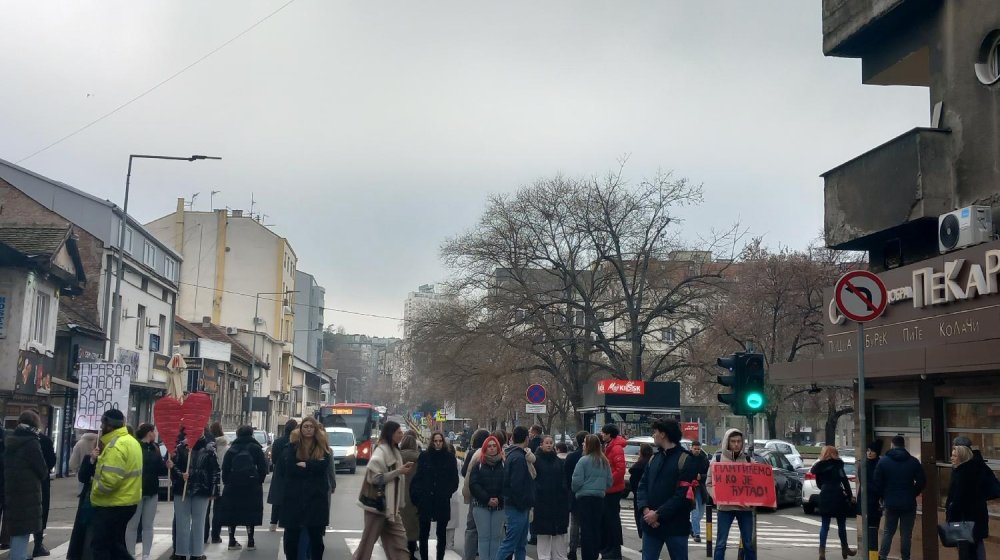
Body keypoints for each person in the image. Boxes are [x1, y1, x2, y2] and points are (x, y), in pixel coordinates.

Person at [353, 421, 415, 560]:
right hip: (377, 507)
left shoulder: (395, 451)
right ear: (391, 434)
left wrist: (400, 470)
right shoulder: (381, 452)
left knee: (400, 543)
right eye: (399, 432)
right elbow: (374, 478)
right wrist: (398, 471)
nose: (402, 435)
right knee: (367, 544)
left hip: (392, 509)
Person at [636, 418, 697, 560]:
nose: (653, 435)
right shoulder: (654, 459)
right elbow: (642, 486)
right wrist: (646, 510)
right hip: (651, 526)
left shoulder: (685, 460)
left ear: (663, 434)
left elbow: (682, 495)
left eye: (655, 432)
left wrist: (658, 514)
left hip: (676, 526)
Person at [89, 409, 143, 560]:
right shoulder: (132, 441)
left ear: (110, 425)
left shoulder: (115, 446)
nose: (101, 426)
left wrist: (95, 491)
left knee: (101, 546)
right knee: (114, 546)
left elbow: (109, 481)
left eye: (103, 423)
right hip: (127, 502)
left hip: (111, 504)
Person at [281, 417, 332, 560]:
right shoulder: (293, 446)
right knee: (292, 539)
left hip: (316, 499)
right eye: (305, 426)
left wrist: (306, 465)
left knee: (316, 539)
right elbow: (290, 468)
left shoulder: (322, 448)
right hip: (295, 498)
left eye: (311, 426)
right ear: (301, 429)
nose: (308, 429)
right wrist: (313, 466)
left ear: (315, 429)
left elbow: (323, 466)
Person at [3, 411, 48, 560]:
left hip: (12, 491)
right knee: (23, 532)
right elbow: (42, 470)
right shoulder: (31, 442)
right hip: (28, 495)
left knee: (16, 530)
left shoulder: (10, 440)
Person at [170, 428, 220, 560]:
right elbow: (173, 466)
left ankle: (196, 553)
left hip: (202, 489)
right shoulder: (181, 447)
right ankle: (181, 553)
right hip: (182, 489)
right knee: (182, 523)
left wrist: (214, 490)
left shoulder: (210, 449)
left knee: (199, 523)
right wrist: (181, 474)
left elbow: (215, 470)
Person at [706, 428, 755, 560]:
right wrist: (716, 496)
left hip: (745, 509)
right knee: (721, 543)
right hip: (725, 508)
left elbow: (757, 483)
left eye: (739, 441)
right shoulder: (717, 460)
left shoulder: (749, 460)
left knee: (748, 544)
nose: (736, 444)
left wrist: (754, 499)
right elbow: (709, 483)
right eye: (733, 441)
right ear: (727, 442)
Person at [872, 435, 924, 560]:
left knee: (888, 531)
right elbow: (922, 481)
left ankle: (883, 556)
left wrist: (884, 496)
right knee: (906, 534)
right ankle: (905, 557)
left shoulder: (883, 461)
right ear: (904, 445)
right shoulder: (913, 461)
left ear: (892, 445)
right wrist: (913, 493)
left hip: (890, 502)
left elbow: (877, 482)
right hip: (908, 503)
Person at [410, 432, 459, 560]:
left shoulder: (449, 458)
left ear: (443, 442)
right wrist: (418, 497)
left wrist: (446, 493)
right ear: (432, 442)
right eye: (435, 441)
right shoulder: (424, 456)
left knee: (441, 534)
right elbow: (418, 478)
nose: (438, 443)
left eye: (440, 441)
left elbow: (454, 480)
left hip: (442, 500)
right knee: (424, 533)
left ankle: (440, 557)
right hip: (426, 499)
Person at [218, 425, 268, 551]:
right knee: (250, 512)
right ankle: (250, 541)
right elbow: (263, 468)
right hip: (251, 485)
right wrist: (258, 481)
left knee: (232, 513)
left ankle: (231, 540)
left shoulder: (232, 449)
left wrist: (228, 482)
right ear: (251, 434)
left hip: (233, 485)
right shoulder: (256, 448)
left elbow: (225, 469)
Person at [126, 424, 171, 560]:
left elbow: (160, 469)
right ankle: (130, 553)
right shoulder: (135, 446)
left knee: (148, 524)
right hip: (136, 490)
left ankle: (146, 554)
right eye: (153, 431)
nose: (155, 434)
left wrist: (166, 466)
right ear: (149, 433)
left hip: (151, 490)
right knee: (132, 524)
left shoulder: (155, 448)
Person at [494, 426, 535, 560]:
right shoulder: (519, 458)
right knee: (511, 543)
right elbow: (517, 485)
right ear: (526, 439)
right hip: (518, 506)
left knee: (520, 544)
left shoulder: (511, 454)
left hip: (516, 505)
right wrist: (523, 503)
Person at [571, 434, 612, 560]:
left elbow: (576, 481)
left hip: (585, 498)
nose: (583, 444)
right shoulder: (604, 461)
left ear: (589, 445)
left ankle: (587, 556)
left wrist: (576, 490)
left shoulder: (583, 460)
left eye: (585, 442)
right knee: (596, 528)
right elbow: (609, 481)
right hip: (599, 498)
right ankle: (595, 554)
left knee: (586, 529)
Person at [811, 446, 857, 559]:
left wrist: (825, 487)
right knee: (841, 525)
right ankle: (845, 549)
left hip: (825, 495)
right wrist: (850, 495)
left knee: (824, 525)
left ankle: (822, 551)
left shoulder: (819, 466)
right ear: (834, 454)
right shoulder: (838, 465)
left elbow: (818, 483)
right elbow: (845, 481)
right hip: (837, 495)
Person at [946, 440, 988, 560]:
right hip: (975, 518)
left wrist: (951, 517)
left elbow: (958, 499)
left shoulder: (962, 474)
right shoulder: (974, 468)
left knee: (968, 550)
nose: (951, 458)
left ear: (962, 457)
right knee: (976, 546)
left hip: (966, 519)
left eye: (954, 456)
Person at [533, 435, 569, 560]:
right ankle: (544, 557)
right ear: (541, 445)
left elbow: (564, 478)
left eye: (551, 443)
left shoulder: (558, 461)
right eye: (546, 443)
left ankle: (559, 556)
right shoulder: (536, 460)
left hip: (558, 501)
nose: (549, 445)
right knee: (543, 534)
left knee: (558, 533)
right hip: (542, 501)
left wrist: (563, 491)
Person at [469, 435, 505, 560]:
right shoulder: (478, 465)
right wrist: (487, 499)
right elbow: (474, 485)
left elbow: (508, 485)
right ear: (485, 448)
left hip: (500, 506)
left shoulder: (504, 465)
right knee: (484, 537)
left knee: (496, 538)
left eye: (494, 446)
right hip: (481, 506)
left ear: (498, 448)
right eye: (489, 446)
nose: (492, 448)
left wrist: (499, 499)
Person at [460, 429, 490, 560]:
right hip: (489, 494)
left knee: (472, 526)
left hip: (474, 494)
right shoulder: (491, 452)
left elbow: (464, 471)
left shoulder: (472, 453)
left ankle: (469, 555)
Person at [67, 442, 100, 560]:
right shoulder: (89, 458)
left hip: (103, 500)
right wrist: (92, 460)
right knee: (86, 529)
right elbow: (82, 477)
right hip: (88, 498)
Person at [598, 424, 626, 560]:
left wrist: (607, 481)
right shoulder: (609, 446)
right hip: (608, 489)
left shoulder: (616, 448)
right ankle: (608, 548)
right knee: (607, 520)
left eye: (603, 433)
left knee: (612, 521)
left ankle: (614, 550)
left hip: (613, 490)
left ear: (609, 434)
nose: (602, 435)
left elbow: (620, 470)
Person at [267, 419, 297, 531]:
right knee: (291, 499)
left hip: (279, 473)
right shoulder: (297, 442)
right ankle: (289, 521)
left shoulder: (278, 441)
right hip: (293, 473)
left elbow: (274, 459)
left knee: (277, 499)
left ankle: (273, 522)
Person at [564, 431, 587, 560]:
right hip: (589, 495)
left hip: (574, 493)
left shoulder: (571, 457)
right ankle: (587, 548)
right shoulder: (595, 458)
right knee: (587, 523)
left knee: (575, 523)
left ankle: (572, 550)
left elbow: (566, 475)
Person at [34, 428, 56, 557]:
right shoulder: (44, 440)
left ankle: (16, 545)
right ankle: (38, 544)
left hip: (17, 482)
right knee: (41, 512)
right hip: (41, 481)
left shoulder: (12, 438)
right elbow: (51, 461)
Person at [399, 434, 421, 559]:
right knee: (413, 529)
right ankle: (411, 553)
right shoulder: (420, 459)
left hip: (399, 498)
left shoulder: (396, 457)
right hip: (415, 499)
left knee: (399, 527)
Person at [207, 422, 229, 544]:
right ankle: (215, 536)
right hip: (221, 481)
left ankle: (204, 535)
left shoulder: (208, 447)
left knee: (204, 510)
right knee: (218, 510)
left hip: (207, 480)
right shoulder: (226, 448)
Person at [628, 443, 653, 539]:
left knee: (640, 517)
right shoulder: (652, 463)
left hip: (639, 497)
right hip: (651, 496)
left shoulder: (638, 466)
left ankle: (643, 535)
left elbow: (633, 483)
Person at [862, 441, 883, 555]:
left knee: (874, 529)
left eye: (872, 451)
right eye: (868, 450)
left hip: (876, 502)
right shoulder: (864, 465)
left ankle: (872, 554)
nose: (869, 453)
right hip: (867, 501)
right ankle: (870, 554)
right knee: (869, 529)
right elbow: (865, 483)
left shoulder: (880, 464)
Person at [687, 441, 709, 544]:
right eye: (695, 449)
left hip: (701, 488)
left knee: (701, 512)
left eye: (698, 449)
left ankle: (691, 527)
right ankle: (697, 534)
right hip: (690, 488)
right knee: (695, 512)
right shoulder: (687, 458)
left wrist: (702, 477)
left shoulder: (704, 459)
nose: (697, 450)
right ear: (691, 448)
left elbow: (709, 474)